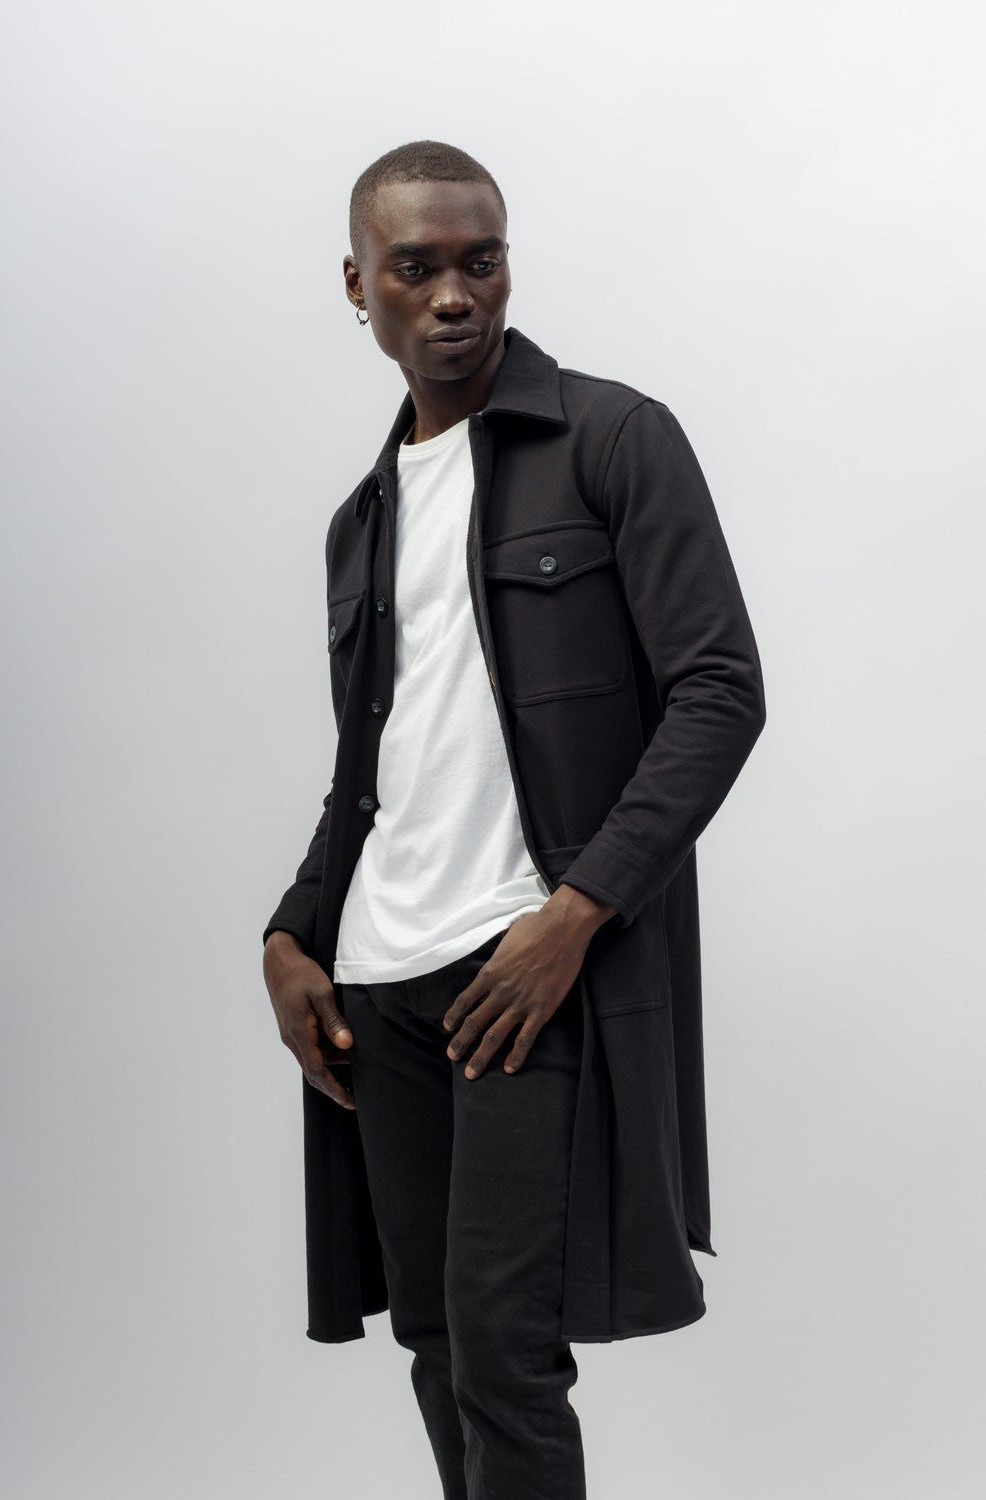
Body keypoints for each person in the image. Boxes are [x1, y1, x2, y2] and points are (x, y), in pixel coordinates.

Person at [262, 140, 766, 1500]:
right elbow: (377, 771)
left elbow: (720, 691)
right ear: (357, 285)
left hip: (520, 965)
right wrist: (292, 934)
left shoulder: (612, 438)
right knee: (435, 1340)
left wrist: (575, 915)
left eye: (478, 262)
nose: (452, 295)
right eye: (414, 269)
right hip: (381, 978)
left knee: (503, 1347)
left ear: (507, 264)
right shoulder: (361, 523)